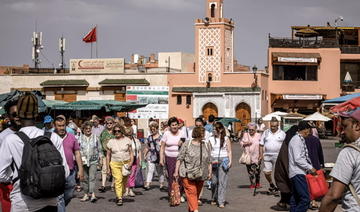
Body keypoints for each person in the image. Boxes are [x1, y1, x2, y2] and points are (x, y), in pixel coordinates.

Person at [0, 93, 69, 212]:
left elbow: (1, 174)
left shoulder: (11, 139)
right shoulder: (53, 137)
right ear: (37, 114)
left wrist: (17, 177)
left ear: (19, 114)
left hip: (22, 202)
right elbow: (66, 172)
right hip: (50, 202)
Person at [320, 109, 360, 212]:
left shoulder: (350, 152)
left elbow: (334, 196)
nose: (342, 131)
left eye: (345, 126)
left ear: (357, 126)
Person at [174, 126, 212, 212]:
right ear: (198, 133)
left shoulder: (206, 144)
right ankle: (195, 210)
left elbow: (209, 160)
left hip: (201, 173)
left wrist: (209, 172)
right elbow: (180, 158)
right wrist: (176, 171)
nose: (204, 135)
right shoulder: (187, 144)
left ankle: (192, 209)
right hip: (187, 173)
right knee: (192, 192)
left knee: (195, 196)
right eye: (202, 133)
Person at [54, 115, 84, 211]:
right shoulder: (51, 137)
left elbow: (77, 153)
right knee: (59, 198)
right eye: (59, 126)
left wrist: (81, 169)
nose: (61, 128)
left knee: (69, 194)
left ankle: (60, 207)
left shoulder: (72, 137)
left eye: (63, 125)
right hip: (56, 172)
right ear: (55, 126)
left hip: (70, 172)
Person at [288, 121, 316, 212]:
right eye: (309, 130)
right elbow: (298, 158)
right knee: (305, 199)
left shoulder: (300, 139)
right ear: (305, 130)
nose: (310, 132)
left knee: (295, 199)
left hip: (299, 172)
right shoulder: (296, 140)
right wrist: (310, 167)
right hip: (297, 172)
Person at [0, 98, 21, 212]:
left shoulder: (29, 133)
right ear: (8, 117)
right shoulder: (3, 137)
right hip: (8, 185)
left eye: (20, 113)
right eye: (14, 114)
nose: (18, 117)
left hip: (28, 185)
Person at [272, 125, 299, 211]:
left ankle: (284, 203)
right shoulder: (289, 144)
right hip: (285, 170)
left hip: (282, 170)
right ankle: (286, 204)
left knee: (286, 188)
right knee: (287, 188)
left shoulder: (287, 142)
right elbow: (286, 160)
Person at [106, 124, 134, 206]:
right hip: (114, 163)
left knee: (124, 182)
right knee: (118, 179)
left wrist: (131, 162)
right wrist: (108, 168)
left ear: (122, 131)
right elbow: (108, 155)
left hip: (126, 164)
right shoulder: (111, 142)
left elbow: (131, 153)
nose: (117, 132)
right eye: (115, 131)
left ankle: (120, 193)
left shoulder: (127, 140)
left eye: (118, 131)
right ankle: (119, 198)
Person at [160, 117, 185, 202]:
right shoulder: (166, 134)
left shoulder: (182, 133)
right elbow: (162, 147)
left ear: (178, 125)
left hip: (181, 158)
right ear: (169, 126)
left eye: (176, 125)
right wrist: (161, 159)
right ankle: (172, 194)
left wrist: (182, 143)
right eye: (172, 125)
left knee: (181, 176)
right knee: (171, 177)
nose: (174, 126)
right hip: (169, 158)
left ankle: (180, 194)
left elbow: (187, 145)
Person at [259, 117, 286, 195]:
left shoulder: (282, 133)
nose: (273, 128)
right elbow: (261, 144)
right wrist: (261, 155)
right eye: (271, 126)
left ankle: (279, 187)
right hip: (267, 155)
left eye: (274, 126)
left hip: (278, 155)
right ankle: (272, 185)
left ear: (278, 125)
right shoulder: (266, 132)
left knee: (278, 173)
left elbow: (286, 145)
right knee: (266, 172)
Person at [209, 122, 232, 208]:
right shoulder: (210, 139)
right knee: (214, 182)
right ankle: (214, 197)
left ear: (221, 130)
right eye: (213, 129)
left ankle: (221, 201)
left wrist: (230, 161)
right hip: (213, 160)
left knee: (222, 181)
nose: (214, 130)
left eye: (216, 129)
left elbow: (229, 151)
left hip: (224, 160)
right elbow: (209, 151)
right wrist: (209, 163)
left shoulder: (226, 138)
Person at [78, 121, 101, 203]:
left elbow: (100, 149)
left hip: (93, 160)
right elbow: (77, 150)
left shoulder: (95, 137)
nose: (88, 130)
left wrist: (101, 159)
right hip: (83, 161)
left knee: (92, 177)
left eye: (89, 128)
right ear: (83, 129)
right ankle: (85, 194)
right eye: (86, 128)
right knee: (84, 178)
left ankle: (92, 194)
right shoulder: (79, 138)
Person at [143, 121, 164, 190]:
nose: (152, 131)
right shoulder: (149, 138)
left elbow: (163, 148)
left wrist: (163, 157)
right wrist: (145, 154)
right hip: (151, 156)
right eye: (151, 129)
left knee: (159, 171)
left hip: (159, 156)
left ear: (157, 129)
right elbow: (147, 147)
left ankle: (161, 183)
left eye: (154, 129)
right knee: (150, 170)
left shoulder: (161, 138)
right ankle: (148, 183)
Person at [240, 123, 261, 189]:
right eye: (249, 130)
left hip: (257, 155)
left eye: (252, 130)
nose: (251, 131)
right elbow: (241, 142)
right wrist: (246, 143)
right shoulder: (246, 135)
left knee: (257, 171)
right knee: (250, 171)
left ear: (255, 130)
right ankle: (252, 183)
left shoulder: (259, 135)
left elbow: (262, 145)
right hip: (248, 156)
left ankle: (257, 183)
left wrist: (261, 154)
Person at [98, 117, 115, 193]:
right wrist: (100, 154)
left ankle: (112, 185)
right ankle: (103, 185)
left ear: (113, 124)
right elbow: (100, 143)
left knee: (114, 169)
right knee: (104, 169)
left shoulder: (116, 132)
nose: (109, 125)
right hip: (105, 154)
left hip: (114, 154)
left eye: (110, 123)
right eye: (107, 123)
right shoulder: (103, 132)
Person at [124, 127, 142, 197]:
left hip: (134, 158)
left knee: (132, 175)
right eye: (127, 135)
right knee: (126, 175)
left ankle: (130, 190)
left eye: (130, 134)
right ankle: (126, 189)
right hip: (126, 159)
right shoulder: (123, 141)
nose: (128, 136)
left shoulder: (136, 141)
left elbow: (139, 151)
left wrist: (140, 160)